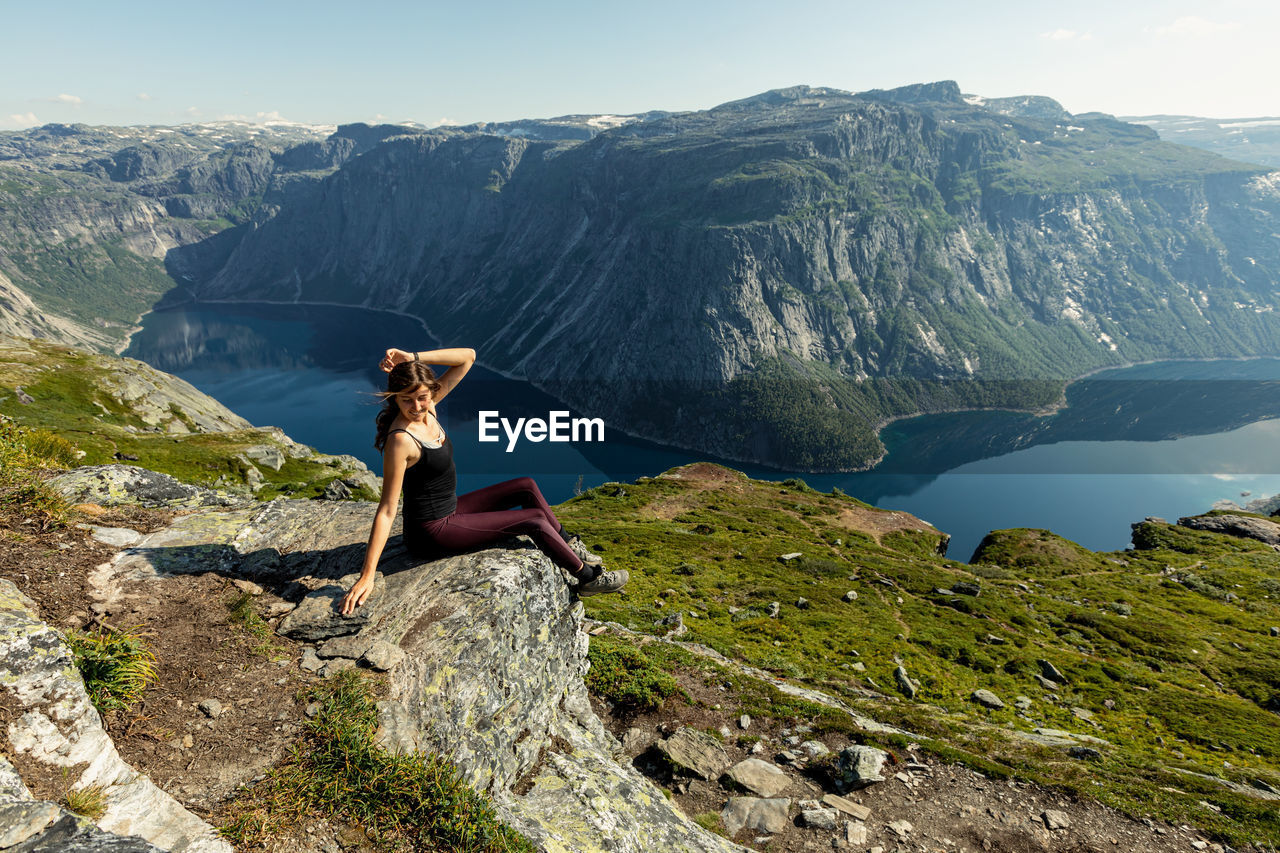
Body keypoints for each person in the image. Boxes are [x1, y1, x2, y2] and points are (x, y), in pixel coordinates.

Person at [341, 346, 628, 614]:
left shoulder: (430, 409)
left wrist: (413, 356)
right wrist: (368, 575)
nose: (416, 406)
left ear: (431, 392)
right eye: (406, 399)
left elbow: (468, 356)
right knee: (533, 521)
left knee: (525, 486)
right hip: (432, 532)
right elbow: (388, 510)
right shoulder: (401, 440)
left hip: (450, 508)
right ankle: (588, 578)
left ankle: (570, 546)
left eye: (422, 397)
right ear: (395, 398)